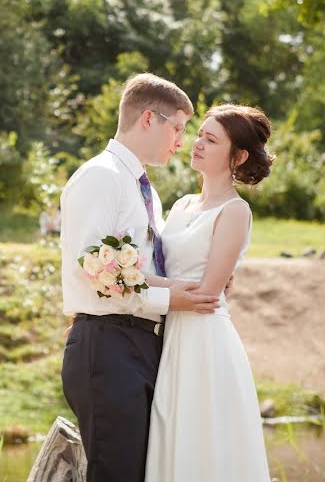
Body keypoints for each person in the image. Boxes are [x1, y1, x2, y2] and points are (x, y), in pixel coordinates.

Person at [59, 73, 222, 482]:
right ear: (149, 118)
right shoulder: (101, 176)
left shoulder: (142, 188)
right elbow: (96, 272)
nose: (182, 141)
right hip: (108, 344)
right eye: (179, 128)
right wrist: (173, 300)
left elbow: (144, 269)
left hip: (140, 346)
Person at [145, 104, 273, 480]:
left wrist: (126, 278)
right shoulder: (182, 205)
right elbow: (160, 263)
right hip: (171, 335)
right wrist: (136, 275)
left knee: (203, 445)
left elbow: (206, 294)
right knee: (173, 439)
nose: (196, 143)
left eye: (211, 139)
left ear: (238, 156)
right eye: (199, 134)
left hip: (205, 343)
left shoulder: (235, 211)